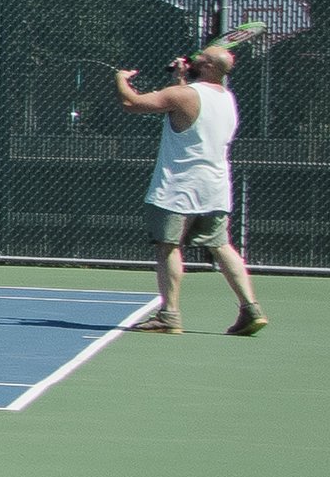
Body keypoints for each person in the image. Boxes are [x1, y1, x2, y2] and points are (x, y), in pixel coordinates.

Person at [110, 42, 259, 335]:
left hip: (177, 187)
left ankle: (169, 315)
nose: (192, 59)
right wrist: (180, 79)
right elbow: (186, 111)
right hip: (214, 187)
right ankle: (251, 308)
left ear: (210, 67)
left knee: (168, 247)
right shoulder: (226, 98)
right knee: (222, 246)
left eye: (198, 58)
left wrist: (119, 79)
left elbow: (132, 103)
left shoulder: (184, 95)